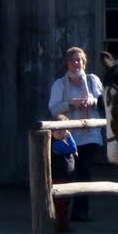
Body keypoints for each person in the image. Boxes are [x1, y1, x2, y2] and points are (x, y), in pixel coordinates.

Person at [48, 46, 104, 222]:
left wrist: (92, 101)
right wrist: (71, 104)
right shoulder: (59, 84)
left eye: (79, 60)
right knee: (69, 174)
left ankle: (81, 211)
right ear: (67, 63)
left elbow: (104, 103)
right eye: (72, 60)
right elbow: (53, 109)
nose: (76, 63)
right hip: (69, 135)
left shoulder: (92, 80)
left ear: (84, 62)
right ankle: (62, 213)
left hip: (90, 133)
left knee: (85, 173)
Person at [50, 115, 78, 233]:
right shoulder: (56, 144)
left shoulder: (61, 143)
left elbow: (72, 151)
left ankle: (63, 224)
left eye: (64, 132)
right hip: (60, 176)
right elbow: (73, 149)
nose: (61, 134)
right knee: (61, 203)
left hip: (66, 175)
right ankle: (61, 225)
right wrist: (70, 138)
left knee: (65, 203)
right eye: (58, 132)